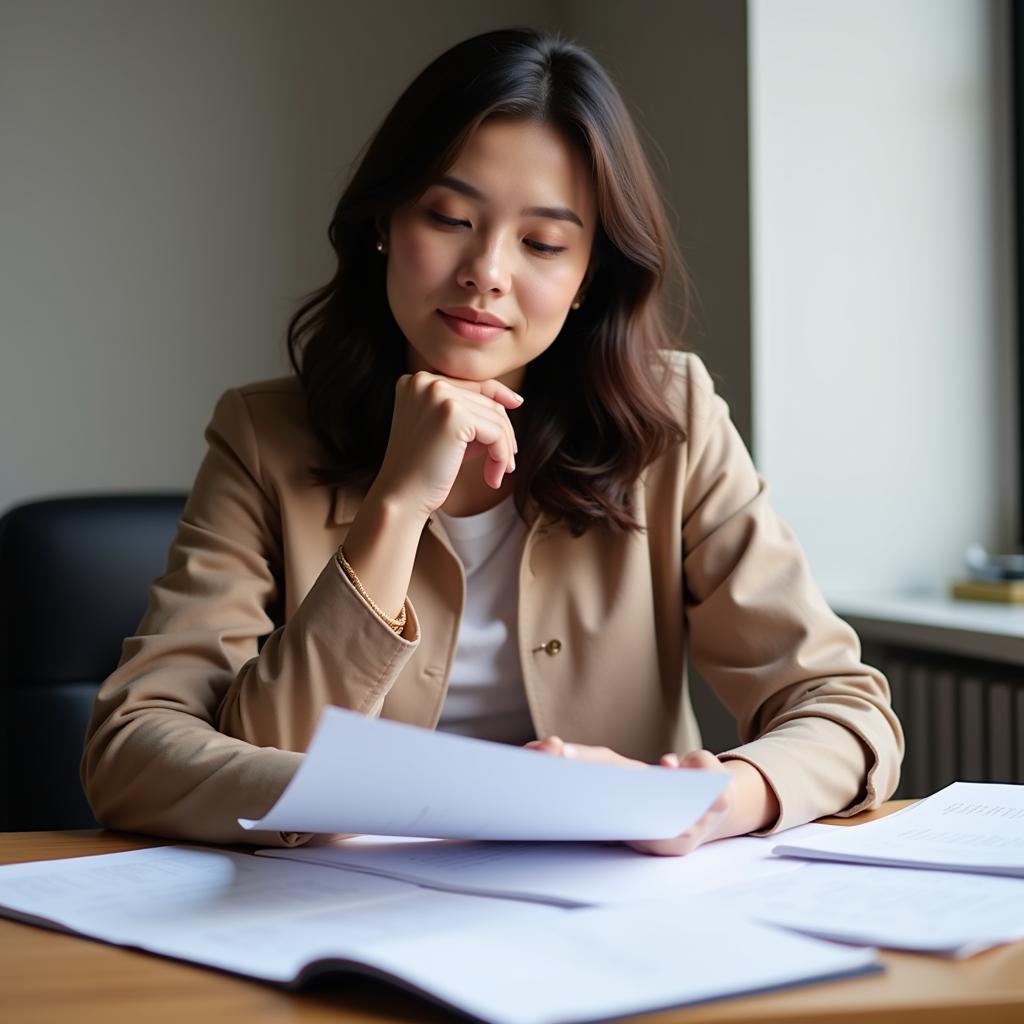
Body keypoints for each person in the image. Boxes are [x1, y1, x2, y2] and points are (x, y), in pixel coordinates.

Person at [82, 27, 903, 854]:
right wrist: (396, 505)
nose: (487, 271)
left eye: (543, 243)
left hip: (609, 911)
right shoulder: (263, 436)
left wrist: (708, 800)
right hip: (341, 908)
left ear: (588, 278)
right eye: (448, 217)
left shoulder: (671, 417)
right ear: (383, 223)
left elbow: (844, 708)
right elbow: (131, 754)